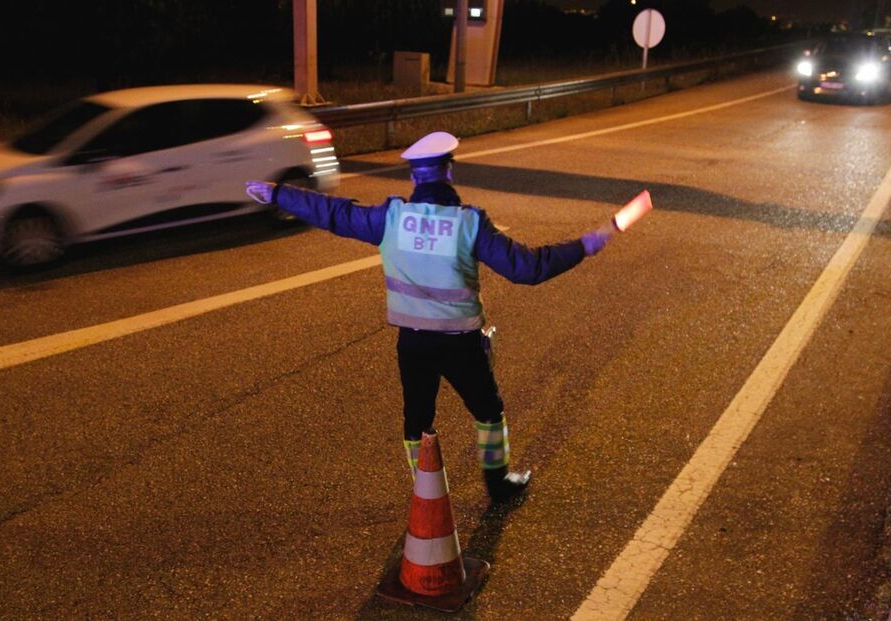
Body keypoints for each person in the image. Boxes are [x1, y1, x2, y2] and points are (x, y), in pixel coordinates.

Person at [246, 131, 618, 503]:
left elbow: (335, 213)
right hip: (462, 343)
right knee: (488, 411)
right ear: (449, 173)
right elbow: (528, 269)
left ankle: (427, 493)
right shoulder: (469, 224)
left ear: (413, 178)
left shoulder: (391, 219)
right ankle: (498, 485)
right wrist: (583, 246)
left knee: (418, 419)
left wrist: (279, 194)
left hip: (413, 341)